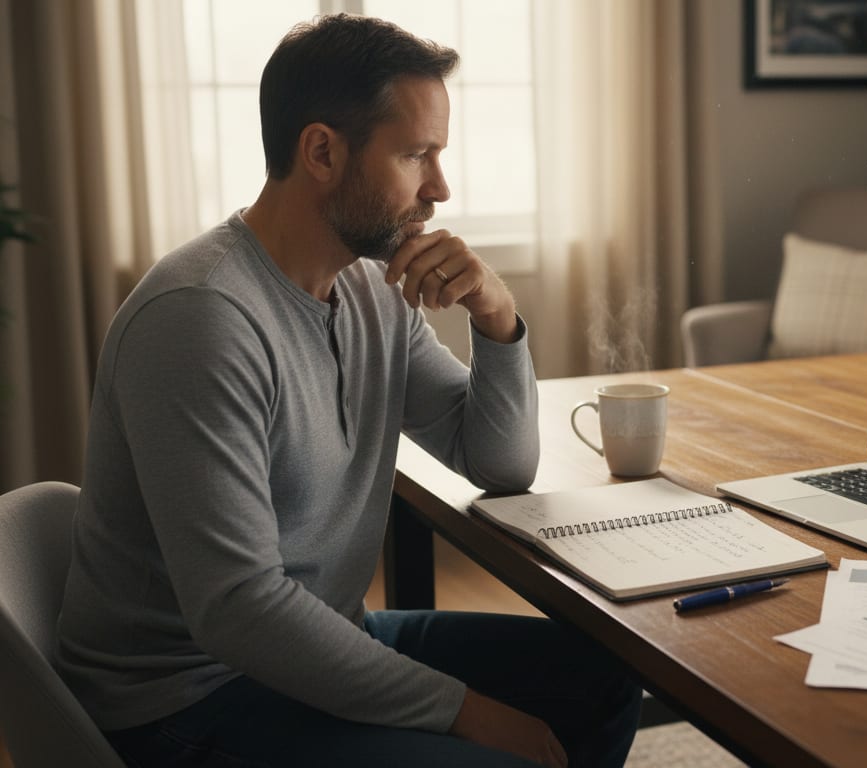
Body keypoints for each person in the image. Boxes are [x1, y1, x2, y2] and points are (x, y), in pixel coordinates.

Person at [56, 13, 641, 767]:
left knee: (602, 681)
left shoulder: (370, 288)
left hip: (322, 637)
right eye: (416, 155)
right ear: (323, 152)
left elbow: (499, 466)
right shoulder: (201, 319)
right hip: (188, 699)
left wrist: (497, 317)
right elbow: (238, 611)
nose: (440, 188)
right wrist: (461, 712)